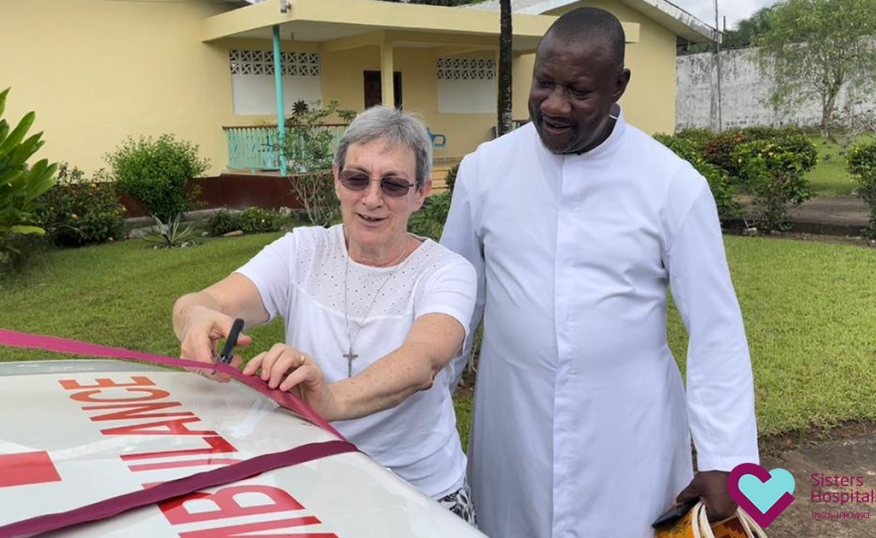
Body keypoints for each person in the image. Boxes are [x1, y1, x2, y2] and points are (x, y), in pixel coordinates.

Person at [440, 7, 759, 538]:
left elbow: (715, 327)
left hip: (628, 432)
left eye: (578, 91)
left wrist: (725, 460)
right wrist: (424, 410)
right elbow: (454, 302)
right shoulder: (484, 171)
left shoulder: (672, 185)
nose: (555, 105)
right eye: (544, 83)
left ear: (619, 86)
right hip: (511, 423)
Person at [172, 106, 478, 524]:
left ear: (420, 193)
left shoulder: (446, 271)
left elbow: (423, 359)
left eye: (393, 184)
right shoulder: (303, 250)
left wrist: (329, 400)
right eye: (357, 178)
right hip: (318, 482)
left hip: (418, 494)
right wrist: (195, 319)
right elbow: (205, 300)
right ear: (337, 179)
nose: (371, 199)